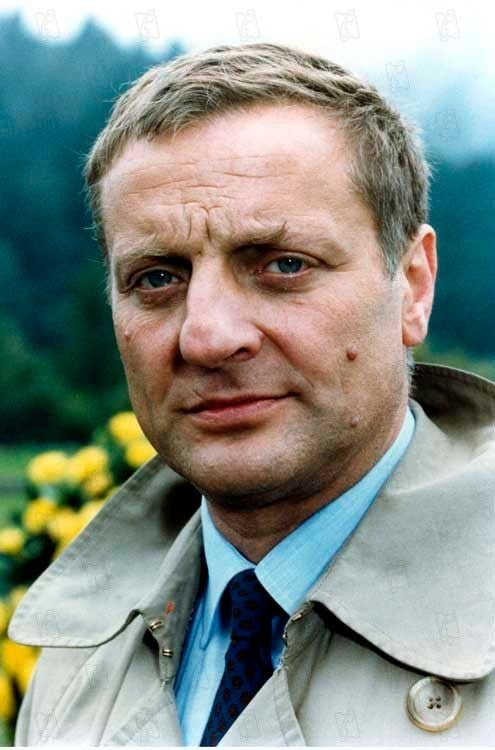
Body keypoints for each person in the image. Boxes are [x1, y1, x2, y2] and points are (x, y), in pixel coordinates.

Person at [8, 42, 495, 746]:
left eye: (283, 265)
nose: (207, 336)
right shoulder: (73, 652)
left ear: (412, 287)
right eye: (157, 278)